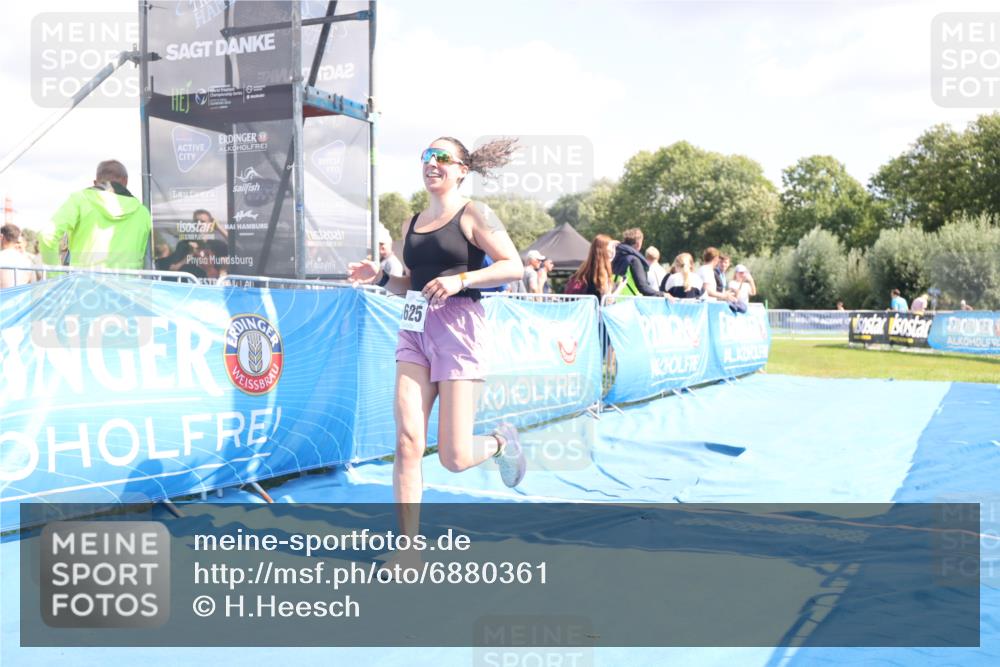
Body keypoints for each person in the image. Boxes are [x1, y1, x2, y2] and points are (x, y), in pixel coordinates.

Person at [348, 136, 527, 553]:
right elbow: (409, 284)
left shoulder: (475, 212)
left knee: (455, 458)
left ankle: (501, 442)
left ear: (462, 169)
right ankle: (408, 549)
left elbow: (513, 266)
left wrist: (460, 279)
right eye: (427, 155)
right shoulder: (411, 223)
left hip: (460, 328)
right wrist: (376, 277)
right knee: (408, 440)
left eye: (443, 157)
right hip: (414, 326)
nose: (432, 162)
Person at [38, 159, 151, 269]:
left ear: (96, 182)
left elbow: (47, 235)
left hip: (84, 285)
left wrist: (56, 275)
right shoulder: (143, 212)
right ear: (126, 181)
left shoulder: (79, 200)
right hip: (128, 286)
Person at [611, 228, 660, 296]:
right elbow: (643, 287)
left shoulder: (614, 258)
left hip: (614, 301)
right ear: (638, 243)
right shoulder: (634, 260)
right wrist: (662, 294)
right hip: (631, 302)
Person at [565, 234, 616, 300]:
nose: (613, 251)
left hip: (582, 308)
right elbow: (607, 300)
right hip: (593, 309)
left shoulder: (585, 267)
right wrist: (619, 287)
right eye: (611, 248)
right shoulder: (602, 272)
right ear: (604, 250)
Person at [0, 223, 36, 288]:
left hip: (3, 297)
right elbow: (34, 287)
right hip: (22, 297)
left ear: (1, 237)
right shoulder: (27, 261)